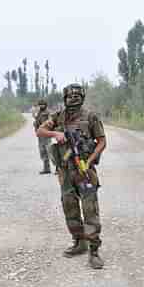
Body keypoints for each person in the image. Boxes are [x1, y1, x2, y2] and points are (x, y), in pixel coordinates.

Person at [37, 83, 107, 269]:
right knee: (69, 206)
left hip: (85, 170)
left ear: (82, 98)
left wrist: (90, 161)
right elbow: (40, 131)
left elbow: (102, 141)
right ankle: (79, 242)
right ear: (65, 97)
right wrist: (56, 134)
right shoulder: (58, 116)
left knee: (89, 208)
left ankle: (94, 250)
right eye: (70, 97)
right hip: (65, 170)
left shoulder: (91, 117)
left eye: (76, 97)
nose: (73, 100)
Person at [33, 99, 52, 175]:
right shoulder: (39, 113)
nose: (41, 106)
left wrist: (45, 125)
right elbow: (37, 122)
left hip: (46, 134)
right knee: (42, 152)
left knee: (50, 151)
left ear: (45, 105)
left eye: (42, 104)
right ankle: (46, 169)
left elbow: (50, 121)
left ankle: (58, 168)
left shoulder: (48, 112)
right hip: (40, 136)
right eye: (40, 104)